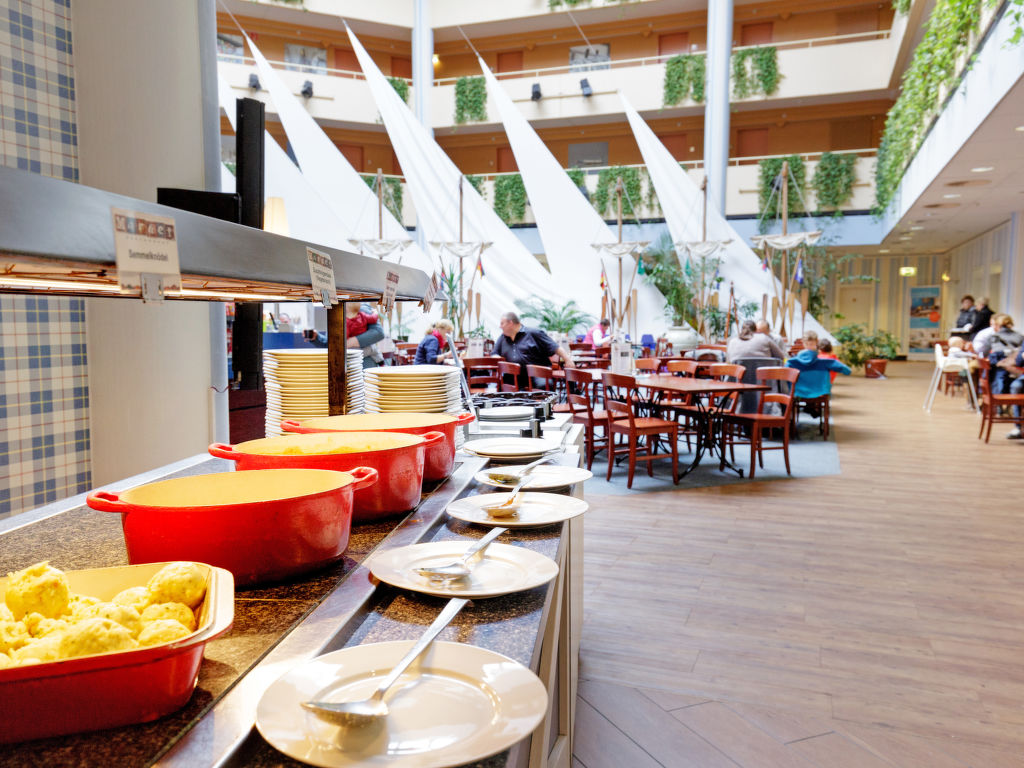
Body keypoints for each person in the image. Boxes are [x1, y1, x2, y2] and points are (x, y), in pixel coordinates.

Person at [493, 311, 574, 389]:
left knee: (544, 385)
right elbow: (494, 353)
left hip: (537, 373)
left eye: (502, 323)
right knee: (502, 387)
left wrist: (568, 360)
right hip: (514, 375)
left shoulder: (534, 333)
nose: (500, 326)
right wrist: (496, 357)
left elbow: (555, 347)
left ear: (510, 323)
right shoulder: (503, 338)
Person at [786, 332, 851, 413]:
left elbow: (785, 373)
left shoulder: (792, 362)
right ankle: (813, 408)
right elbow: (846, 370)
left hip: (799, 392)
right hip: (820, 392)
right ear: (817, 342)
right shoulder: (825, 361)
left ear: (803, 343)